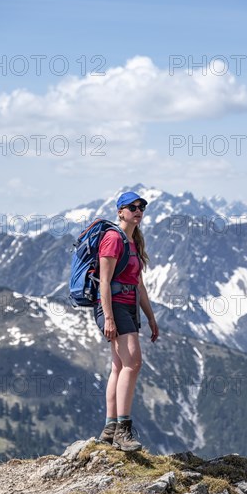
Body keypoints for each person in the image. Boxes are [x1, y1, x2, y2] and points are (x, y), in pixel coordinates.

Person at [93, 191, 159, 452]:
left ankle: (110, 429)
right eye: (132, 207)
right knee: (133, 361)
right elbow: (104, 282)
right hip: (114, 307)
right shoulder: (112, 239)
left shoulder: (133, 241)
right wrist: (108, 317)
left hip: (129, 306)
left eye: (142, 206)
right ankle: (123, 430)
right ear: (120, 211)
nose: (138, 210)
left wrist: (151, 317)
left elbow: (138, 284)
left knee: (120, 366)